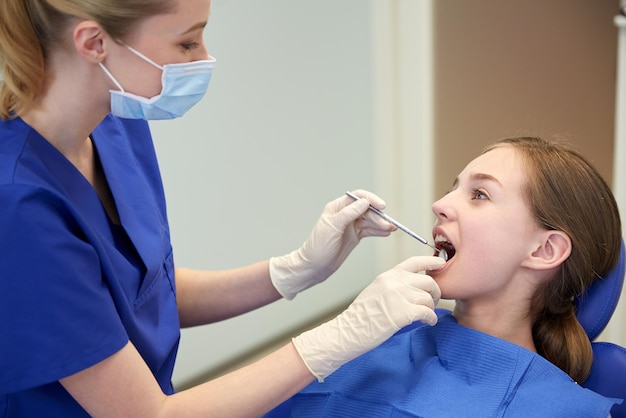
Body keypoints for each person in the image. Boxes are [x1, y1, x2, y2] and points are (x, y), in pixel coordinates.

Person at [0, 0, 447, 416]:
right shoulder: (20, 204)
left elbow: (142, 291)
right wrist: (336, 338)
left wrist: (293, 271)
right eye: (187, 41)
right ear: (94, 43)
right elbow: (148, 414)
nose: (203, 58)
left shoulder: (114, 124)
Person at [263, 136, 624, 418]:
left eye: (479, 194)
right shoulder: (371, 342)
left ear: (544, 251)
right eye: (453, 187)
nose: (440, 204)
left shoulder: (566, 411)